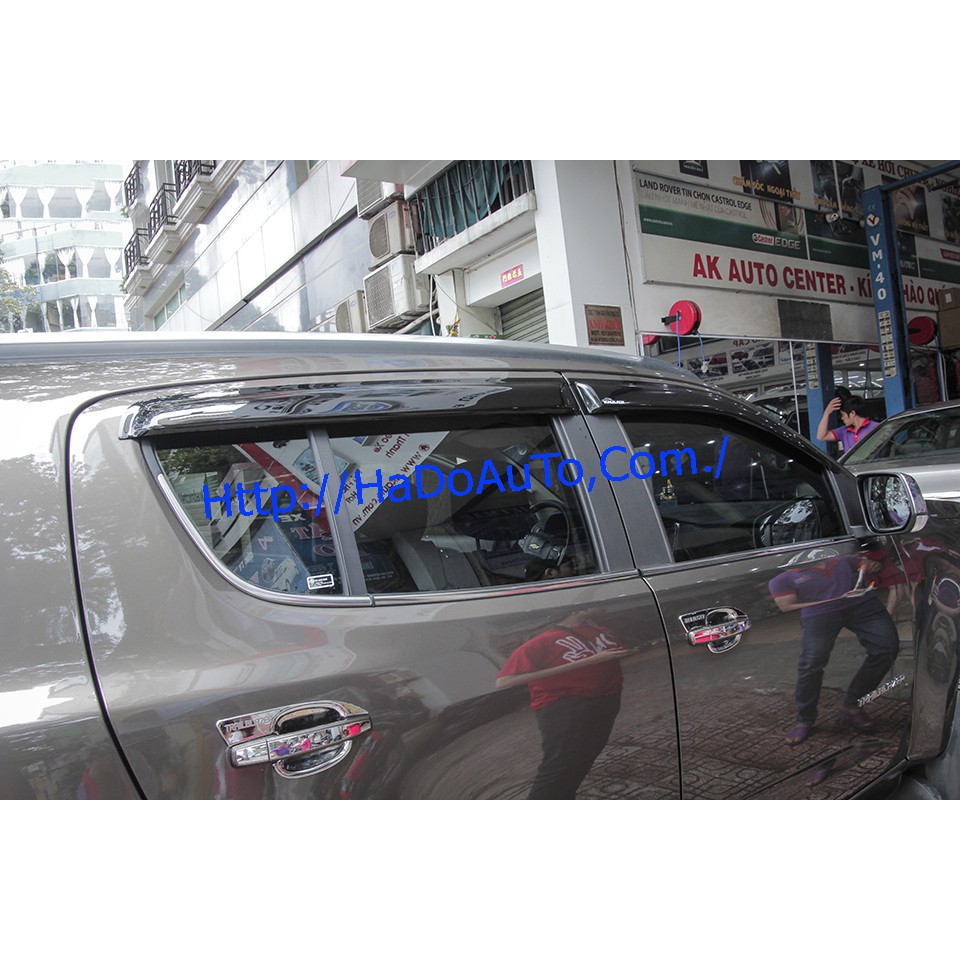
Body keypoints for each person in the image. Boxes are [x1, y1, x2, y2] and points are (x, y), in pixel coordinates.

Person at [495, 600, 633, 799]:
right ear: (574, 608)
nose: (602, 602)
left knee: (585, 757)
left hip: (606, 698)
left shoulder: (602, 631)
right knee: (559, 764)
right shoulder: (543, 641)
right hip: (563, 704)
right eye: (594, 600)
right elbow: (504, 681)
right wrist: (587, 662)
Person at [768, 551, 899, 745]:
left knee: (887, 648)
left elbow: (869, 565)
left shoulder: (841, 560)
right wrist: (837, 599)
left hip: (864, 606)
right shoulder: (783, 579)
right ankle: (805, 719)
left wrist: (870, 565)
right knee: (811, 664)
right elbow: (786, 606)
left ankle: (852, 705)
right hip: (819, 615)